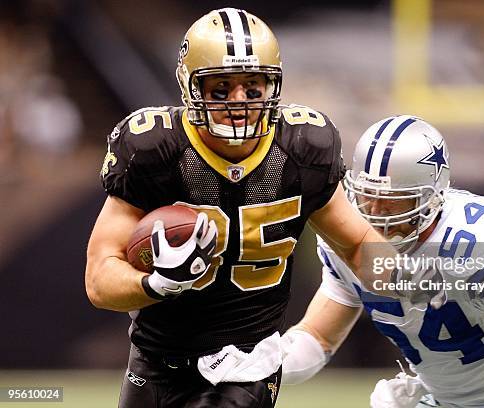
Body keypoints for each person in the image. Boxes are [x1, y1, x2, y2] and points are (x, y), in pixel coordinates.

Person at [85, 8, 406, 408]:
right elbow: (99, 278)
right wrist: (157, 284)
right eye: (221, 88)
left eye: (252, 88)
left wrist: (422, 288)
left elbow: (359, 243)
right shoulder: (155, 150)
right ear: (190, 87)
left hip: (248, 365)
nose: (239, 103)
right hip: (154, 361)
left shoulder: (303, 148)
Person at [280, 115, 484, 408]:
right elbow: (318, 338)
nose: (375, 213)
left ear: (432, 195)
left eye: (392, 200)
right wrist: (266, 363)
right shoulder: (346, 237)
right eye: (367, 195)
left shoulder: (478, 240)